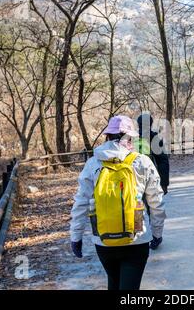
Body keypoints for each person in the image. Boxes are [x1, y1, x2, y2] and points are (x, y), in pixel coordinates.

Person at [70, 115, 166, 290]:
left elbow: (81, 203)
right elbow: (156, 202)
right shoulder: (142, 162)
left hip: (103, 241)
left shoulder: (92, 164)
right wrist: (157, 233)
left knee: (114, 283)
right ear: (130, 138)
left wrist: (75, 237)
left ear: (108, 136)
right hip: (136, 239)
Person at [135, 113, 170, 250]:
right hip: (148, 179)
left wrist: (164, 183)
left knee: (141, 206)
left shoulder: (134, 138)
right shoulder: (138, 138)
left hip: (140, 180)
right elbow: (163, 161)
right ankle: (154, 236)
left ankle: (146, 236)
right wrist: (164, 183)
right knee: (152, 208)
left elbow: (162, 161)